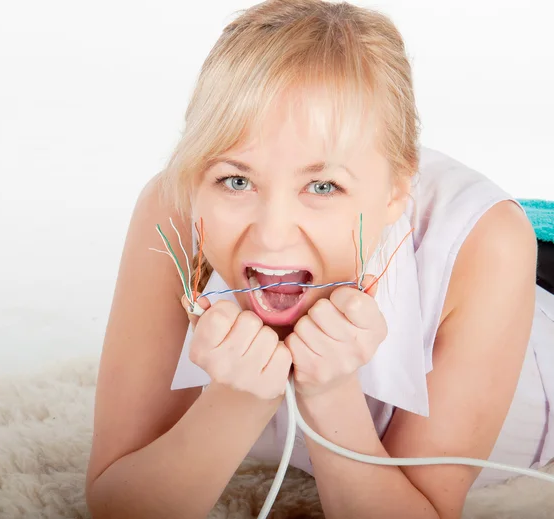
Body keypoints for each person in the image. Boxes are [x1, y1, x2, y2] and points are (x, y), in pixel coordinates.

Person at [84, 1, 554, 518]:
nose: (272, 235)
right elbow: (117, 505)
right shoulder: (177, 206)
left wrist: (331, 394)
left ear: (399, 191)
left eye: (323, 185)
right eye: (237, 180)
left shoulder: (487, 245)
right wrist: (237, 401)